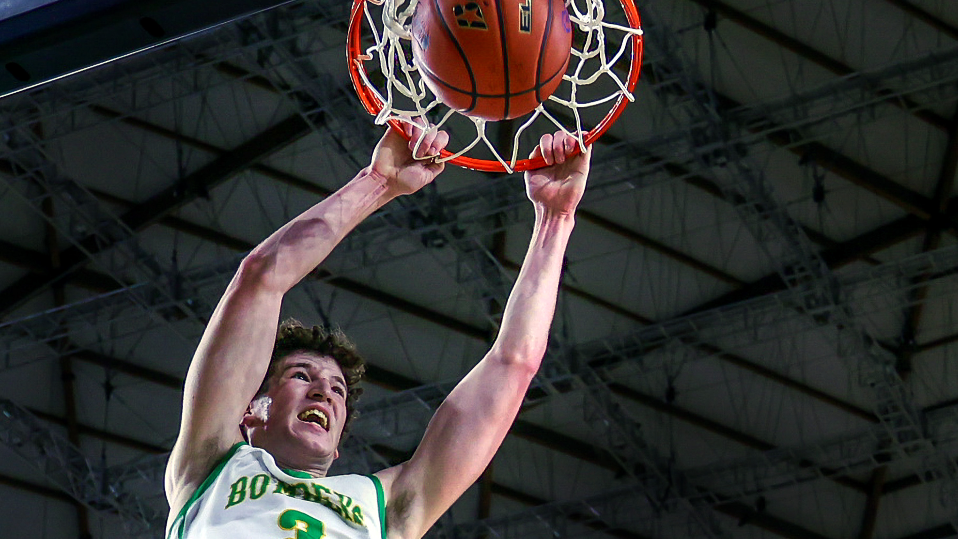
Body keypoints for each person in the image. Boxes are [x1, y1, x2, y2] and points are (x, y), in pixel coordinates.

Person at [164, 121, 591, 539]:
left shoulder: (383, 506)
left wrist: (555, 219)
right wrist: (378, 182)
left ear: (337, 447)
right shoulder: (212, 463)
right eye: (301, 375)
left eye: (337, 390)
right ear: (250, 409)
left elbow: (513, 364)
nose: (324, 393)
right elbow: (260, 278)